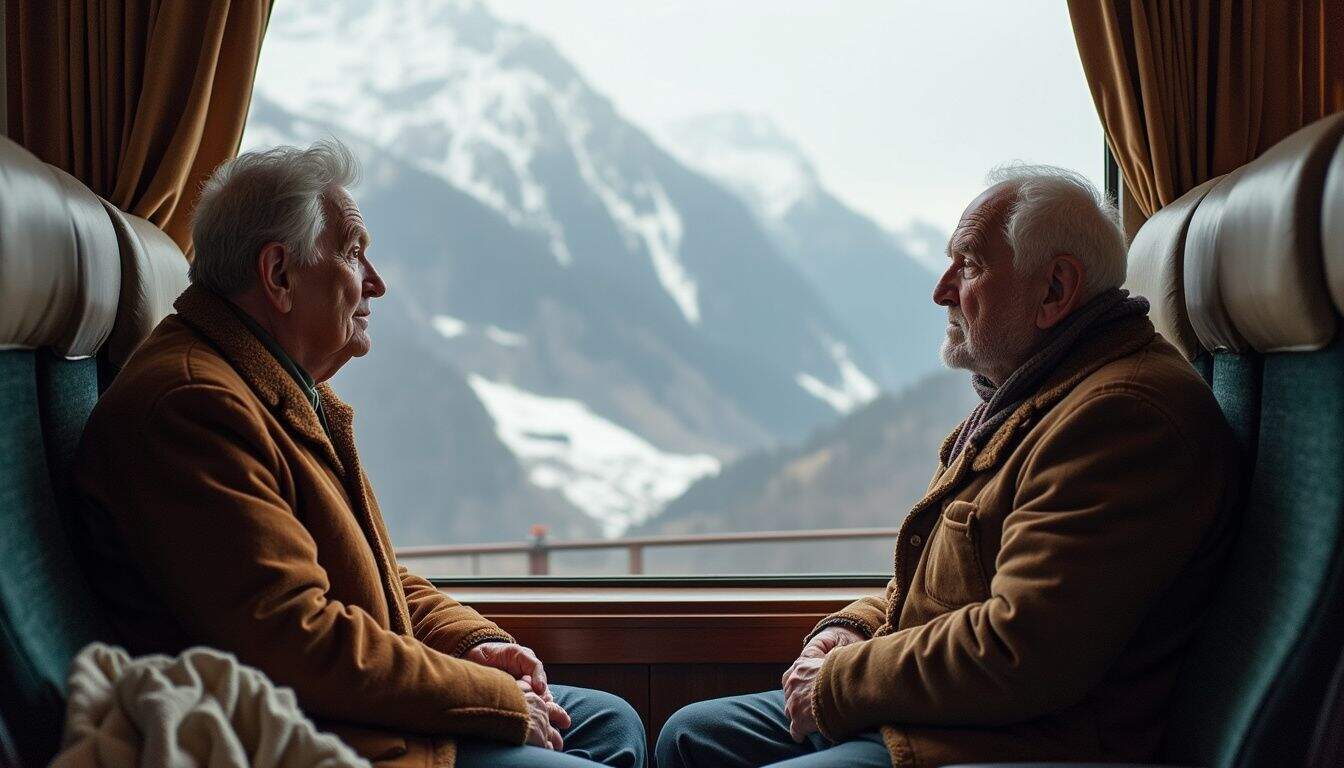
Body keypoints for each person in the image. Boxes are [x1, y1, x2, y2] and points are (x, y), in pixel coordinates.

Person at [76, 140, 645, 768]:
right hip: (329, 733)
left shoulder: (279, 386)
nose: (376, 282)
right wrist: (495, 699)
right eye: (352, 254)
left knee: (610, 723)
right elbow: (299, 640)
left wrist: (473, 643)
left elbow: (373, 576)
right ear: (279, 275)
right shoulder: (196, 409)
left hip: (364, 706)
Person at [655, 166, 1238, 768]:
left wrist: (839, 680)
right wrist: (853, 630)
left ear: (1055, 290)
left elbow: (1023, 648)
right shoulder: (1030, 398)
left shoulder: (1122, 419)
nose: (940, 289)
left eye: (969, 265)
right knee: (692, 736)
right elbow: (942, 590)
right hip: (953, 717)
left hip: (1025, 743)